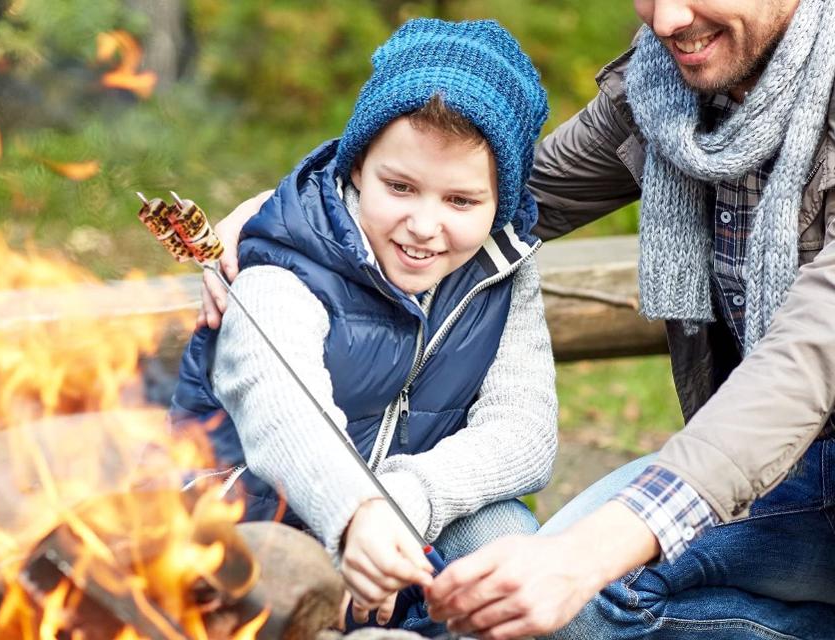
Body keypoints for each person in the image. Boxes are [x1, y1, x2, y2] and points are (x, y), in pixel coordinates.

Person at [202, 0, 835, 638]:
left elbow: (806, 363)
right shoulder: (663, 93)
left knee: (566, 580)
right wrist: (288, 217)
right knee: (540, 602)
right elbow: (501, 189)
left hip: (782, 435)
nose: (666, 19)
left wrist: (584, 554)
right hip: (782, 468)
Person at [169, 18, 557, 634]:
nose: (425, 225)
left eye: (460, 201)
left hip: (407, 520)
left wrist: (404, 500)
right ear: (356, 169)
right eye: (400, 187)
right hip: (255, 530)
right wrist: (356, 515)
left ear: (498, 202)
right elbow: (285, 415)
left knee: (506, 537)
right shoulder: (284, 265)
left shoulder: (498, 273)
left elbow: (525, 434)